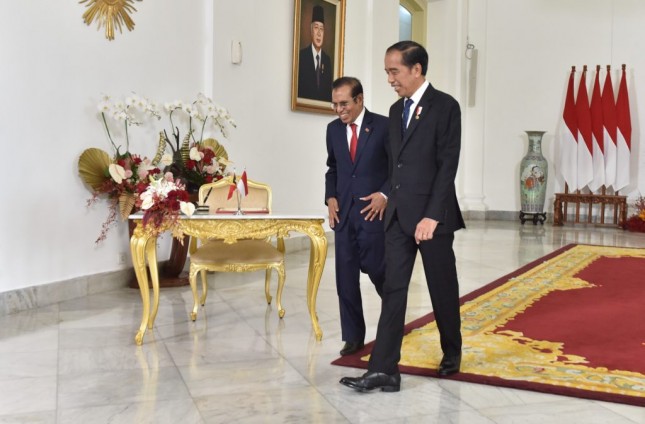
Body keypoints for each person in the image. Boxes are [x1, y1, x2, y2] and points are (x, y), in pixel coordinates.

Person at [340, 40, 465, 392]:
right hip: (397, 217)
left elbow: (447, 167)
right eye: (387, 72)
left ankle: (452, 352)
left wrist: (432, 217)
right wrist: (384, 197)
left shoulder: (445, 107)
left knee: (442, 288)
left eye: (394, 72)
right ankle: (384, 369)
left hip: (432, 217)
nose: (390, 79)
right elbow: (395, 166)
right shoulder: (396, 112)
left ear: (416, 69)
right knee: (393, 290)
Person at [325, 76, 390, 356]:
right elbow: (333, 169)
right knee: (346, 279)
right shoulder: (333, 130)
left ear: (359, 100)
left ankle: (393, 321)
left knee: (379, 272)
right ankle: (353, 337)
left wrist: (385, 195)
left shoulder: (384, 127)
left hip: (373, 215)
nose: (339, 110)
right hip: (343, 217)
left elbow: (398, 168)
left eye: (344, 104)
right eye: (335, 104)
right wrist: (330, 198)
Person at [298, 4, 333, 102]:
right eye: (316, 28)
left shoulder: (327, 60)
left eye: (321, 29)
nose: (319, 33)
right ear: (311, 30)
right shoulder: (302, 56)